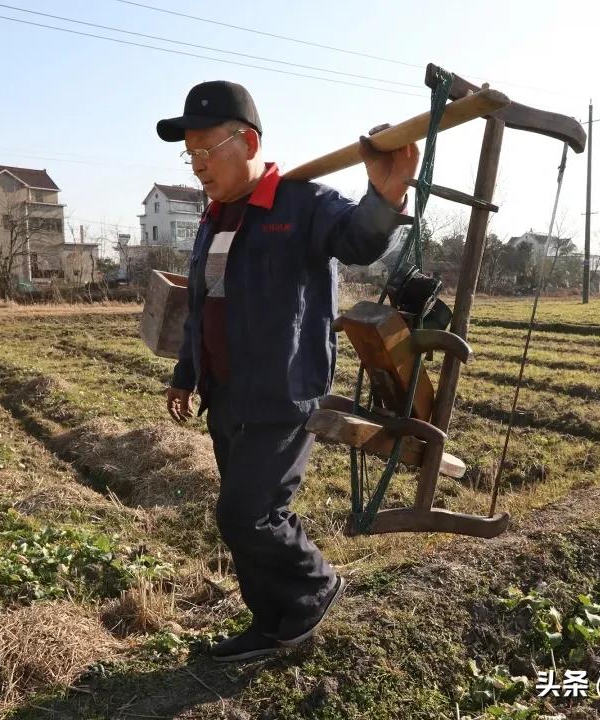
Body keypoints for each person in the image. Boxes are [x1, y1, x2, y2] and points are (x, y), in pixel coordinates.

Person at [159, 80, 418, 662]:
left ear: (247, 141)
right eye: (189, 154)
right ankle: (272, 620)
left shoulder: (301, 203)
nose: (197, 165)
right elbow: (204, 306)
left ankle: (312, 588)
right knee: (247, 515)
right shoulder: (215, 219)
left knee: (245, 513)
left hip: (280, 394)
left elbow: (356, 241)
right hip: (224, 394)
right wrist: (186, 372)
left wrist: (385, 195)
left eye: (206, 151)